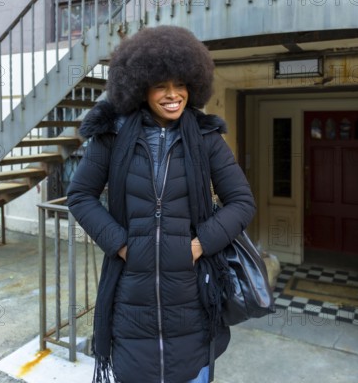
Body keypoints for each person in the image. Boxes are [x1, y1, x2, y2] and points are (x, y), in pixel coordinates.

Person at [66, 25, 256, 383]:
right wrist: (121, 245)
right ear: (140, 87)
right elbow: (80, 195)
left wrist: (198, 246)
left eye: (180, 84)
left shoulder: (207, 138)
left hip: (193, 299)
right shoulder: (111, 137)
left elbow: (242, 202)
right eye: (161, 86)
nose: (173, 95)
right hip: (129, 298)